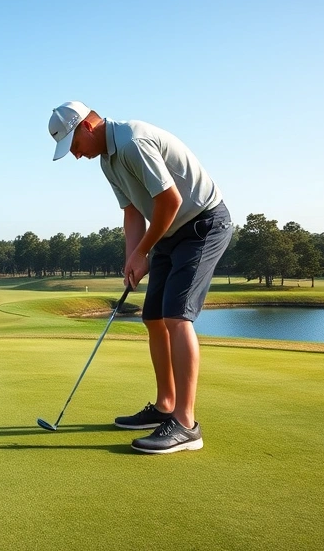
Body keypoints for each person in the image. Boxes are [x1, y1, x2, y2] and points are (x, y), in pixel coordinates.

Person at [48, 101, 233, 454]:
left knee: (177, 317)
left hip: (202, 225)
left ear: (87, 127)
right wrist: (132, 257)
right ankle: (165, 406)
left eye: (74, 145)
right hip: (170, 231)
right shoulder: (108, 160)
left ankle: (186, 424)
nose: (75, 155)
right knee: (153, 318)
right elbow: (133, 212)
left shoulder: (133, 141)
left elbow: (170, 201)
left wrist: (144, 251)